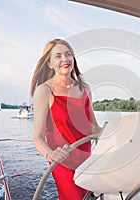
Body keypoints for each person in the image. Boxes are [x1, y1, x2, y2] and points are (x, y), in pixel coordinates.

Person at [30, 38, 101, 199]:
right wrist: (50, 154)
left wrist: (118, 132)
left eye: (68, 54)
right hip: (62, 161)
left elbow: (93, 128)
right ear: (49, 64)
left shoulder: (84, 88)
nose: (65, 59)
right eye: (58, 56)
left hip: (86, 160)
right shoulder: (44, 91)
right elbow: (37, 137)